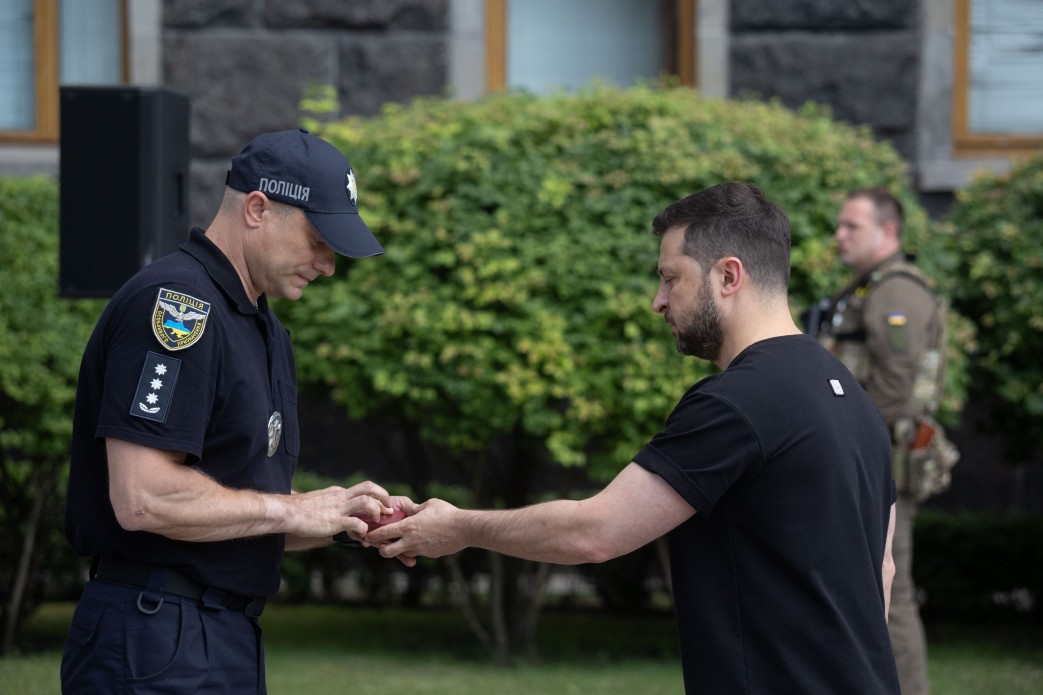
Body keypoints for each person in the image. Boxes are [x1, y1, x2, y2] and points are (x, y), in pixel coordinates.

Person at [369, 182, 900, 693]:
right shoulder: (853, 399)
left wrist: (459, 527)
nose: (658, 301)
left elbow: (595, 533)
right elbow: (883, 569)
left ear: (728, 275)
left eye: (671, 279)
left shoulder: (738, 402)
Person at [61, 129, 402, 693]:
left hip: (221, 634)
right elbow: (143, 497)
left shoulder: (262, 326)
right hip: (155, 633)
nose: (328, 265)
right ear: (257, 208)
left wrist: (345, 520)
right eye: (318, 239)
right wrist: (294, 510)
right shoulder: (178, 305)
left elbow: (238, 511)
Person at [810, 187, 948, 695]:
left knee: (892, 590)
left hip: (880, 460)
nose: (839, 235)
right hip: (866, 459)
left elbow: (894, 392)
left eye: (852, 226)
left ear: (888, 231)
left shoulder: (897, 294)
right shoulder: (866, 289)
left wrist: (830, 433)